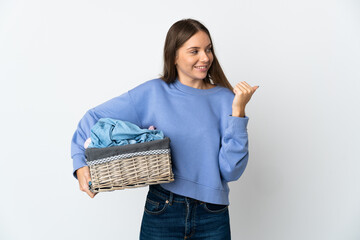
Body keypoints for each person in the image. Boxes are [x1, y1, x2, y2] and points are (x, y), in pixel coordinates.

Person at [71, 18, 259, 240]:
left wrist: (238, 112)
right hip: (163, 208)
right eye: (194, 51)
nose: (205, 57)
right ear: (174, 56)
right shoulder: (153, 93)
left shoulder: (226, 99)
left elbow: (231, 171)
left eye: (208, 49)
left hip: (213, 214)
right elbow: (93, 117)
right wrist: (80, 164)